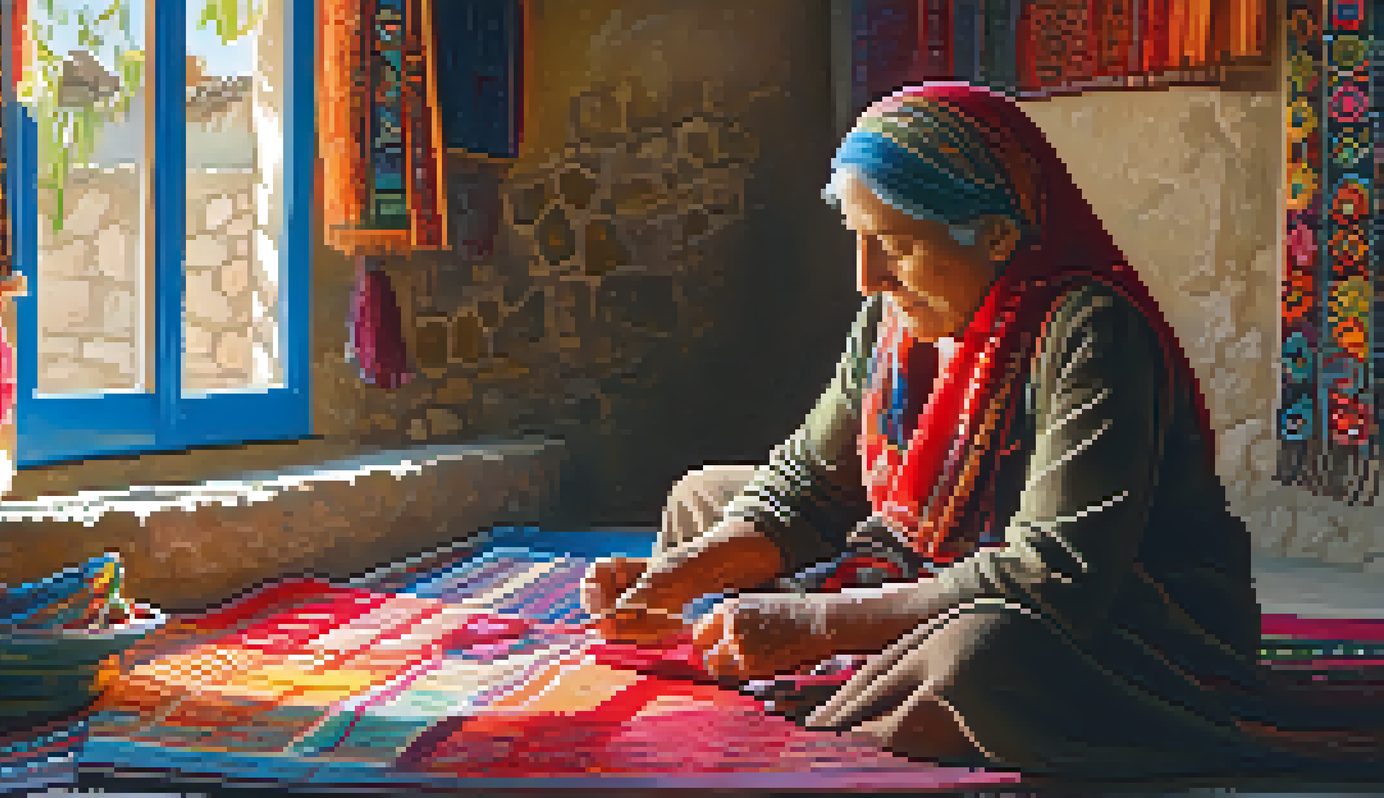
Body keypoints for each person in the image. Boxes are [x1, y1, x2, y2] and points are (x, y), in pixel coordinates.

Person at [580, 82, 1384, 777]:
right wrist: (679, 575)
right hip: (935, 564)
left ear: (997, 236)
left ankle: (831, 669)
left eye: (893, 245)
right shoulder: (891, 321)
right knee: (702, 500)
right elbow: (804, 487)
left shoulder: (1091, 332)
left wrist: (815, 621)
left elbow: (1051, 577)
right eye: (858, 242)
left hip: (1128, 622)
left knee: (979, 659)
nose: (868, 278)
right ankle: (846, 667)